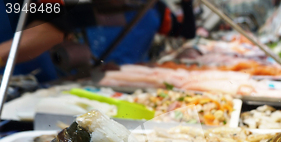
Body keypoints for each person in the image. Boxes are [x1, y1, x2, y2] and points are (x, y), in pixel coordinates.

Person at [0, 0, 196, 82]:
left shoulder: (157, 8)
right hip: (94, 76)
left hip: (132, 75)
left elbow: (54, 27)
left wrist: (187, 4)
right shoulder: (89, 9)